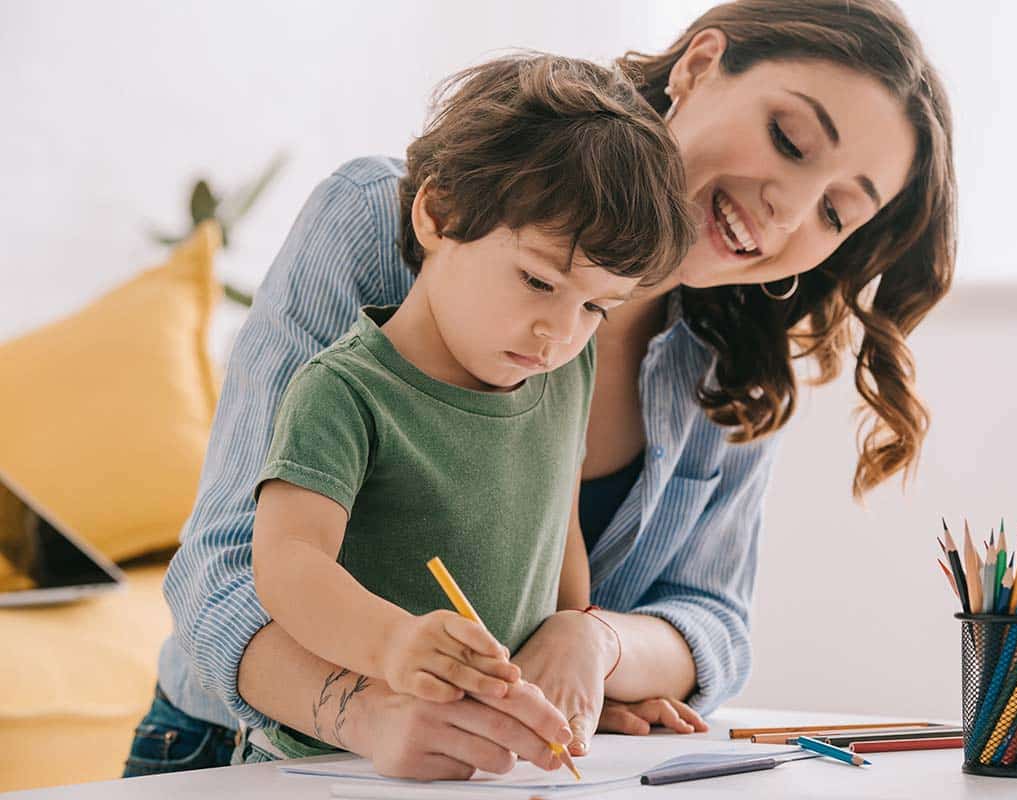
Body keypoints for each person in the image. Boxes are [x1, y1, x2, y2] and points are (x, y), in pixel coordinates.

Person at [128, 0, 956, 781]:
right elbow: (224, 571)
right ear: (701, 66)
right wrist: (368, 714)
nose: (786, 211)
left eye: (838, 213)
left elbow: (712, 622)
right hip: (238, 750)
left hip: (500, 770)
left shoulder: (733, 364)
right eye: (788, 137)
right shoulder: (381, 219)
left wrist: (590, 643)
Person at [241, 53, 693, 764]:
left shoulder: (564, 374)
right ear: (437, 213)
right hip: (330, 764)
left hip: (488, 757)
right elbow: (288, 564)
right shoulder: (345, 391)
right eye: (537, 281)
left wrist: (581, 670)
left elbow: (558, 540)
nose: (560, 334)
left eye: (595, 308)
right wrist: (393, 645)